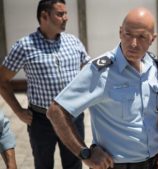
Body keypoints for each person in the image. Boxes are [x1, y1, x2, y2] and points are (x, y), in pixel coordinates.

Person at [46, 7, 158, 169]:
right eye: (128, 34)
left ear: (152, 39)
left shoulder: (152, 64)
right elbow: (56, 111)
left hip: (153, 162)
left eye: (142, 37)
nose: (133, 43)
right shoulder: (101, 71)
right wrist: (85, 153)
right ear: (120, 32)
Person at [0, 0, 90, 168]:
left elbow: (90, 72)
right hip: (41, 121)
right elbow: (2, 79)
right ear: (44, 16)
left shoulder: (73, 42)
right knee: (43, 165)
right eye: (60, 14)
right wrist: (18, 111)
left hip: (73, 117)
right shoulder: (25, 46)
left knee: (74, 164)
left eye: (66, 13)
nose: (66, 18)